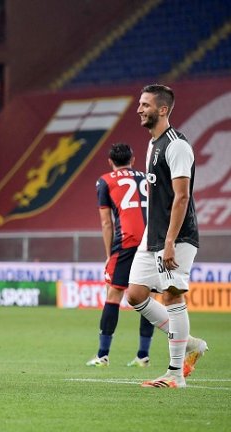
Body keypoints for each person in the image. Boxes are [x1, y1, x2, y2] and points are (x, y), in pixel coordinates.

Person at [127, 84, 207, 388]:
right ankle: (190, 343)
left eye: (145, 104)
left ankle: (175, 375)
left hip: (178, 236)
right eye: (140, 103)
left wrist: (171, 241)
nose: (139, 109)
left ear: (162, 109)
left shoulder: (177, 146)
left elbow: (182, 197)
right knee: (135, 294)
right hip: (154, 234)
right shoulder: (152, 144)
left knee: (172, 295)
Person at [85, 143, 155, 368]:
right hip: (151, 241)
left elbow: (107, 222)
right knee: (148, 298)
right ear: (133, 159)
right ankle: (143, 356)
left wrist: (109, 255)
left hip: (125, 243)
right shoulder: (148, 178)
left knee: (113, 295)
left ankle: (102, 355)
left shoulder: (105, 180)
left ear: (110, 162)